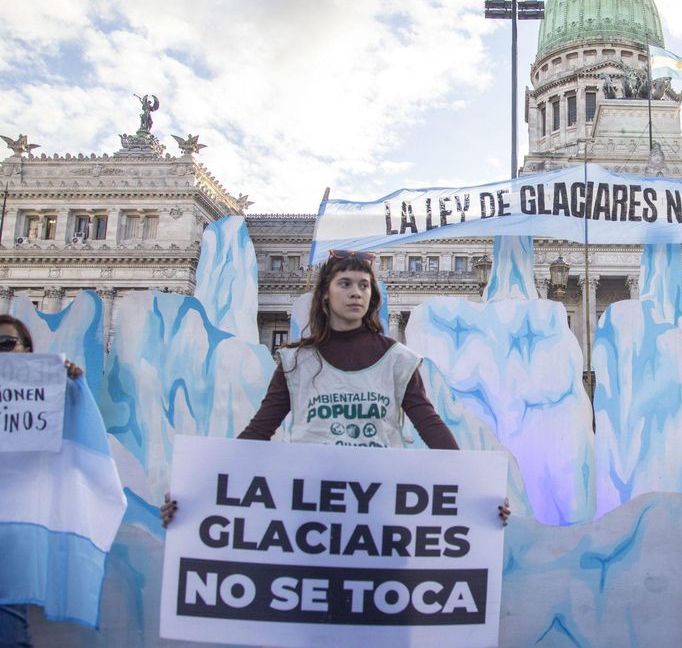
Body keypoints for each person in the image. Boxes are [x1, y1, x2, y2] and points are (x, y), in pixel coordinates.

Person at [162, 250, 509, 526]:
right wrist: (197, 492)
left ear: (372, 295)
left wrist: (479, 492)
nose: (356, 292)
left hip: (379, 505)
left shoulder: (398, 359)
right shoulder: (296, 361)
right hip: (310, 505)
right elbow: (258, 432)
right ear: (325, 295)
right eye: (345, 283)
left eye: (364, 285)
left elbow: (432, 428)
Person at [0, 314, 85, 648]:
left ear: (28, 350)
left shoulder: (45, 396)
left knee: (8, 628)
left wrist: (70, 388)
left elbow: (74, 443)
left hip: (13, 529)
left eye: (7, 343)